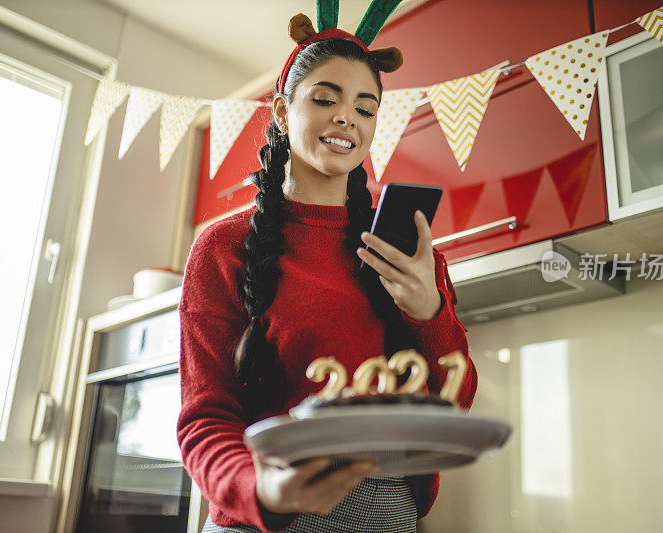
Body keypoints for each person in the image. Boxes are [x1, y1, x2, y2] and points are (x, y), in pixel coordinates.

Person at [177, 8, 477, 533]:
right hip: (263, 516)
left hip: (386, 517)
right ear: (280, 111)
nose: (347, 120)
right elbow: (204, 419)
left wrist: (430, 311)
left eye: (366, 108)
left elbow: (458, 399)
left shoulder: (408, 251)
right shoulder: (222, 247)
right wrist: (261, 488)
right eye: (324, 99)